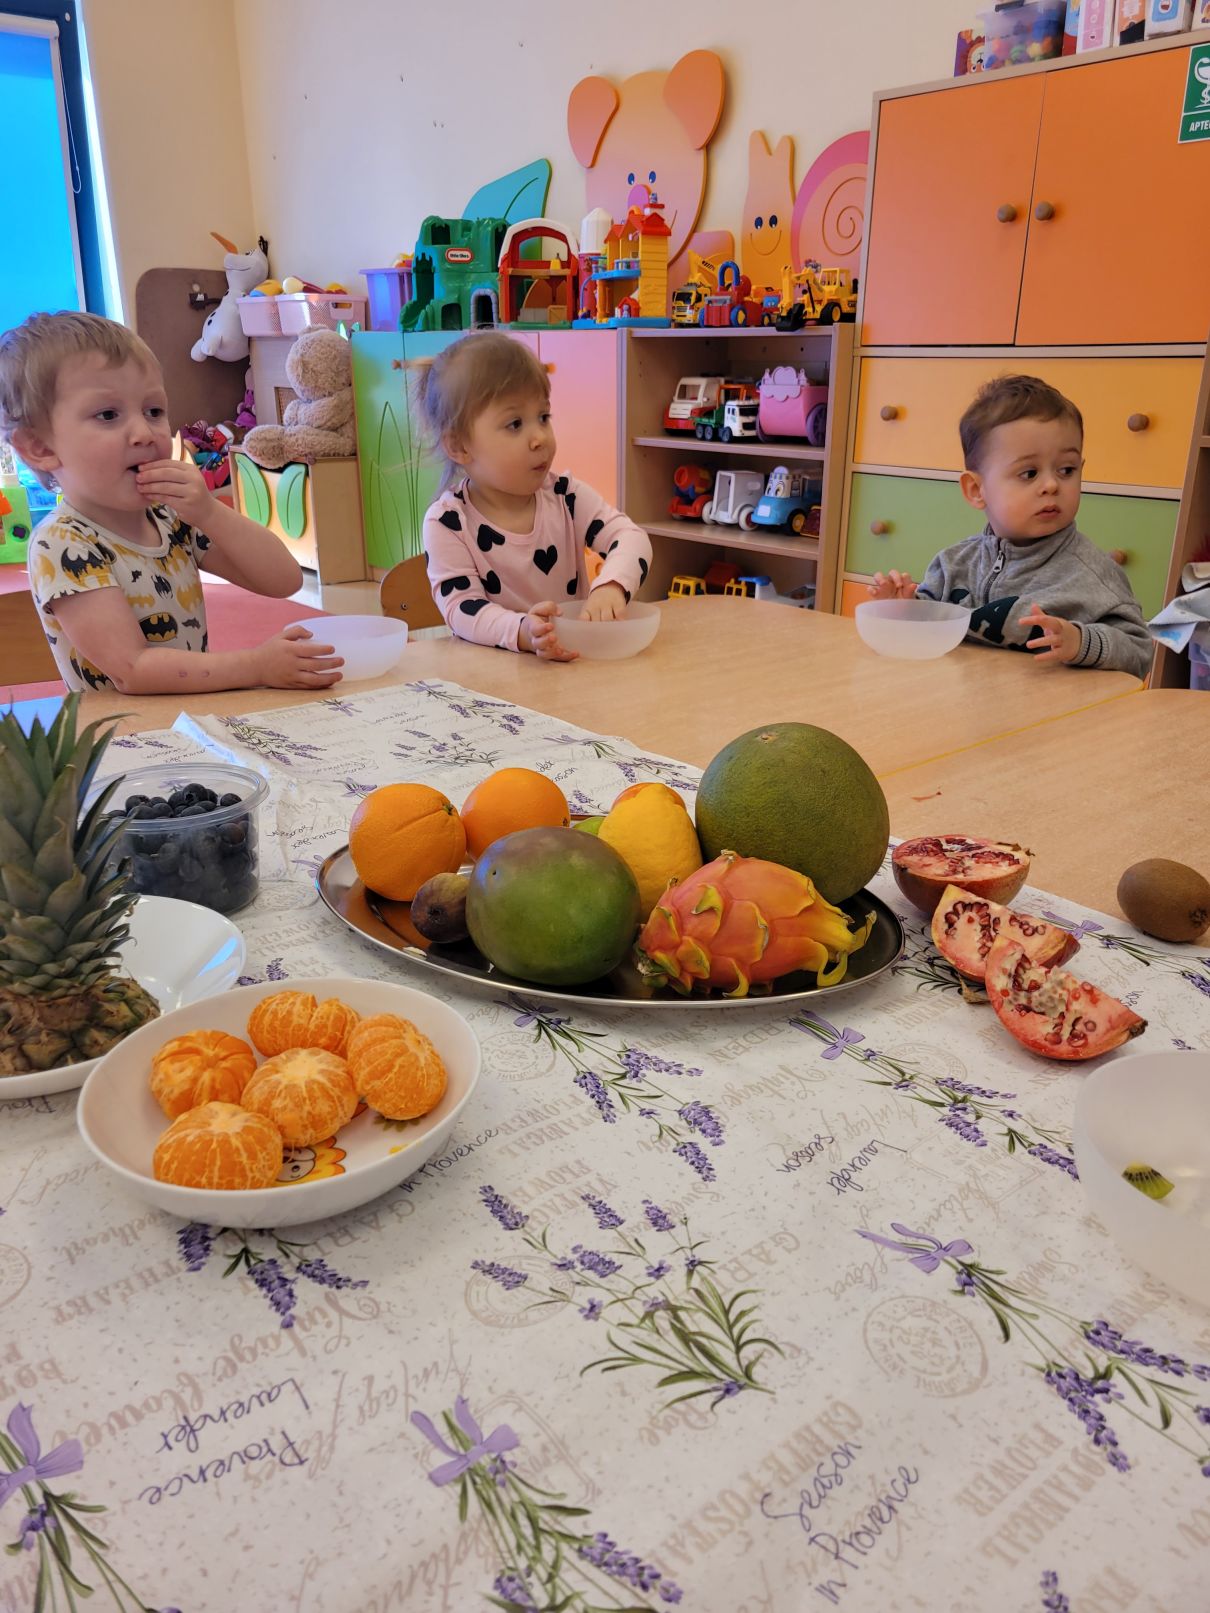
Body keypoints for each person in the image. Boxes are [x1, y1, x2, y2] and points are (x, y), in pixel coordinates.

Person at [0, 311, 343, 693]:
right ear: (41, 447)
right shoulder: (62, 544)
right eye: (108, 415)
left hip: (189, 718)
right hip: (128, 729)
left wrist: (210, 512)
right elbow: (132, 669)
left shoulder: (169, 518)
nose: (144, 432)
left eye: (154, 411)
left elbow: (284, 580)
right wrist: (257, 666)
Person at [867, 374, 1152, 680]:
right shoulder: (952, 565)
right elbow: (929, 633)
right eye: (1029, 473)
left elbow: (1139, 651)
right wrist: (904, 610)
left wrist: (1081, 642)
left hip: (1054, 708)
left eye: (1066, 470)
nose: (1051, 484)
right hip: (962, 701)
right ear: (976, 490)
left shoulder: (1092, 574)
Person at [418, 331, 651, 660]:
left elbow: (630, 537)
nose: (539, 437)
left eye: (543, 417)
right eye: (515, 424)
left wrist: (611, 585)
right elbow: (462, 609)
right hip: (494, 679)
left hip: (573, 671)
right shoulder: (448, 522)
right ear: (459, 445)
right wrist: (521, 631)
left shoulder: (566, 496)